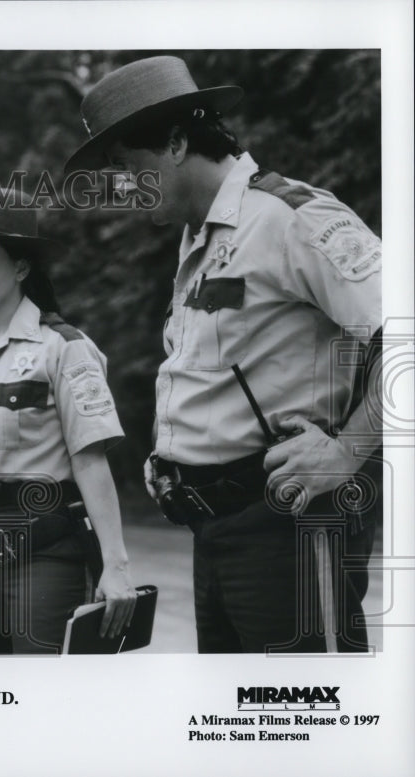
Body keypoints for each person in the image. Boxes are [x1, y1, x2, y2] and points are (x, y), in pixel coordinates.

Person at [64, 55, 382, 653]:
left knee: (304, 729)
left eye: (130, 168)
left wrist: (347, 452)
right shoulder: (201, 240)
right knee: (238, 731)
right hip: (217, 533)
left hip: (289, 524)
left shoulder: (288, 217)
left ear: (178, 142)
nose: (123, 188)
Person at [0, 187, 137, 654]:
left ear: (21, 267)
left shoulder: (64, 347)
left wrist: (116, 566)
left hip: (44, 551)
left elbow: (91, 462)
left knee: (43, 695)